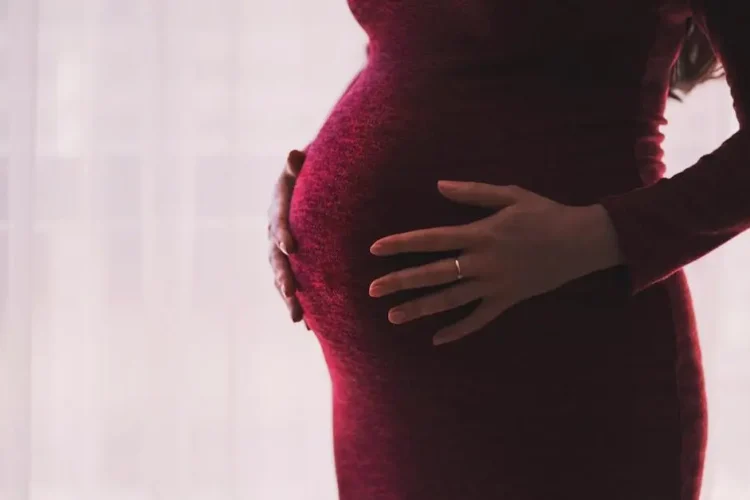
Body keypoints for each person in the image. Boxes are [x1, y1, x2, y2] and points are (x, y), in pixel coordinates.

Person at [267, 2, 748, 499]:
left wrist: (594, 236)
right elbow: (405, 50)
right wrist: (313, 172)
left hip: (559, 374)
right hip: (381, 404)